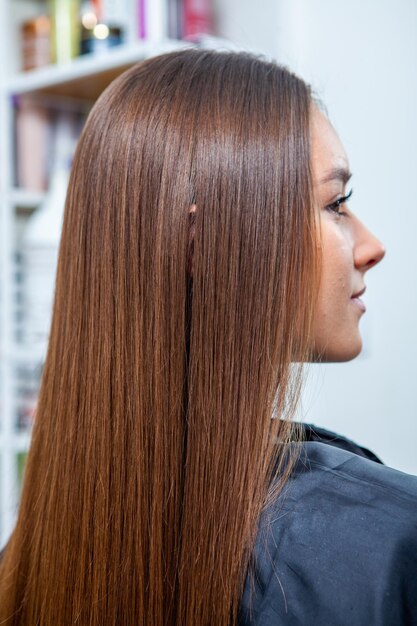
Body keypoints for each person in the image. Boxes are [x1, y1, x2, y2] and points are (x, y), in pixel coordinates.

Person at [0, 48, 415, 625]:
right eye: (336, 203)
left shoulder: (32, 548)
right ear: (201, 243)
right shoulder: (383, 544)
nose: (372, 245)